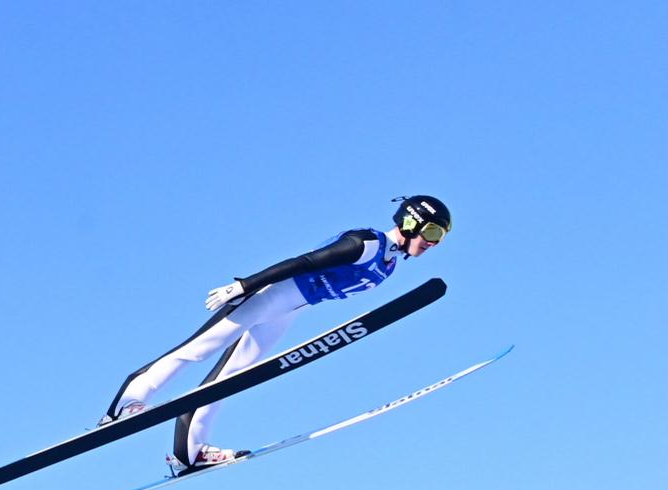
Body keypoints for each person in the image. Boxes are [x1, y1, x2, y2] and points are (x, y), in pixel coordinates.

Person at [99, 195, 452, 472]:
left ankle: (187, 453)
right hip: (270, 294)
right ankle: (123, 405)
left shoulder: (388, 264)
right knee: (199, 348)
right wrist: (245, 285)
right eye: (433, 233)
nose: (433, 243)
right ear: (411, 222)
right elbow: (305, 261)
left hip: (291, 309)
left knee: (233, 377)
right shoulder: (367, 245)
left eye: (440, 238)